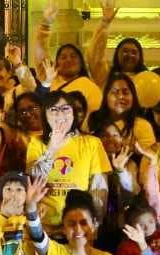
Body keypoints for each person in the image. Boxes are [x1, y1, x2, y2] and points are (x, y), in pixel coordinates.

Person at [25, 92, 109, 231]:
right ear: (45, 115)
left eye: (65, 109)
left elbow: (99, 189)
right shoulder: (36, 142)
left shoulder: (91, 143)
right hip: (45, 226)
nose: (60, 114)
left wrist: (94, 225)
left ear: (73, 114)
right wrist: (51, 148)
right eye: (53, 109)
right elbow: (33, 178)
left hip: (78, 227)